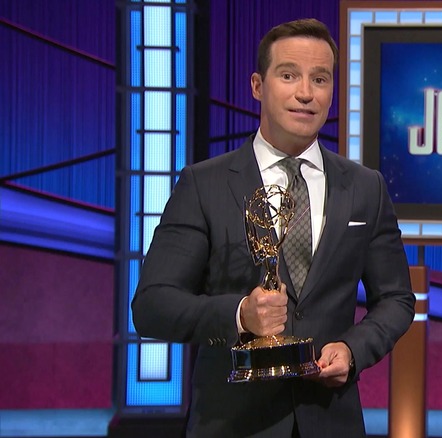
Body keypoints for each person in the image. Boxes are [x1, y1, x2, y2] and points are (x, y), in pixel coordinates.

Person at [132, 18, 415, 437]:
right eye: (289, 76)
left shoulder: (365, 187)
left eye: (320, 79)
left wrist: (353, 350)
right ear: (257, 86)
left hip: (330, 420)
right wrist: (240, 314)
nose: (306, 93)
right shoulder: (204, 184)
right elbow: (152, 306)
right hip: (231, 423)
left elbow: (396, 298)